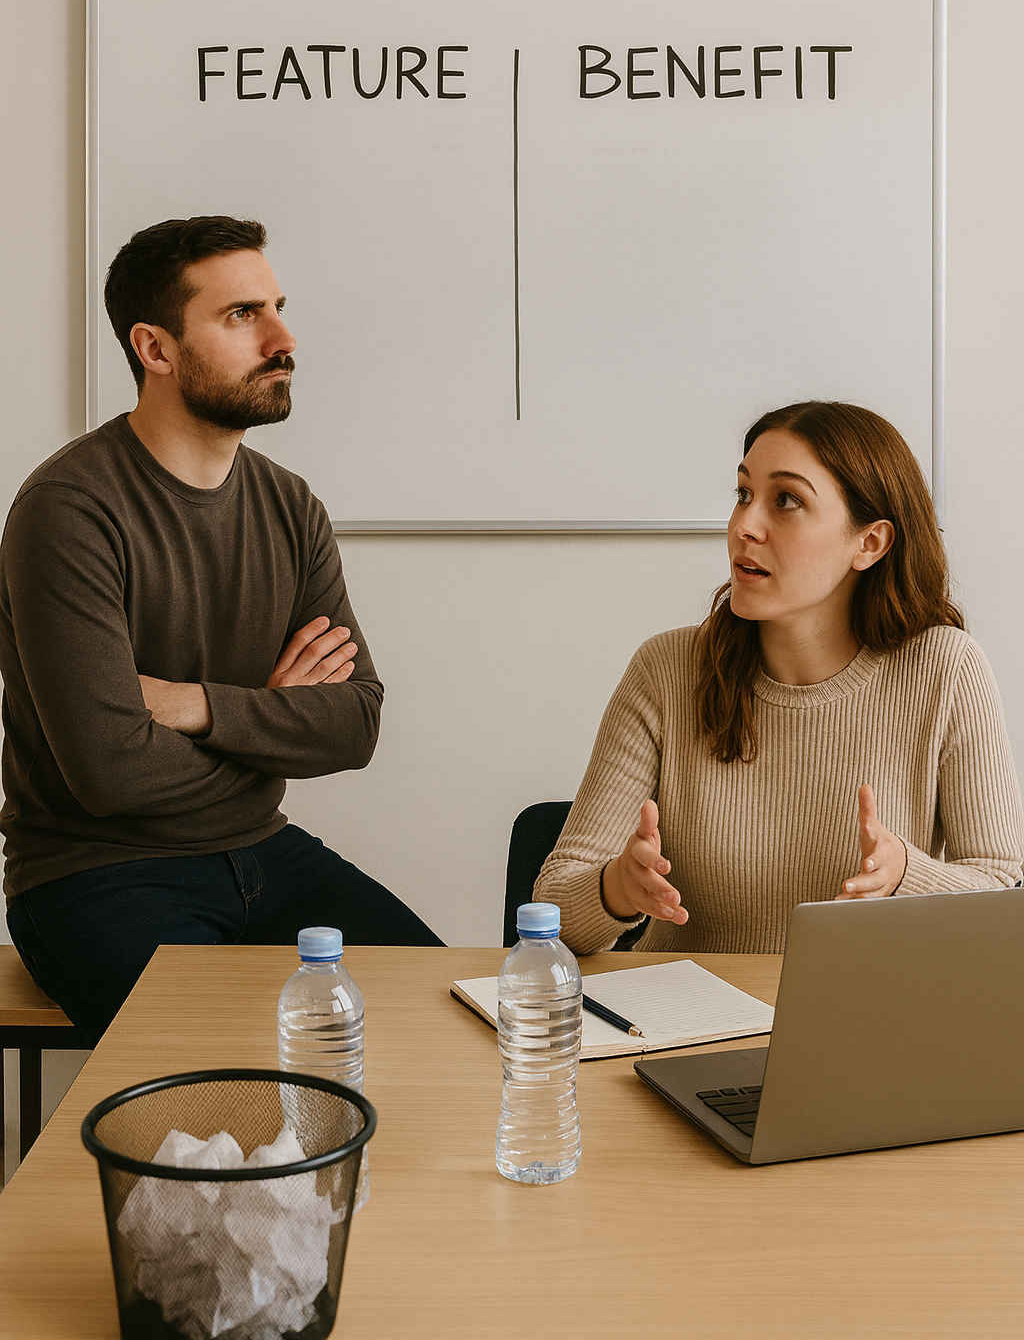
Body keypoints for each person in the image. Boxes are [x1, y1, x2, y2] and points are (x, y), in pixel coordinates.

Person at [0, 215, 441, 1045]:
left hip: (267, 856)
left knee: (448, 1028)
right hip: (96, 877)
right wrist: (271, 723)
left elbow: (356, 723)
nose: (284, 338)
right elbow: (110, 776)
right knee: (232, 1094)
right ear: (155, 349)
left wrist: (195, 706)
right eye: (242, 315)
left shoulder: (289, 504)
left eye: (276, 307)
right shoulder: (68, 513)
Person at [535, 400, 1024, 956]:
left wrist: (905, 875)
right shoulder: (666, 671)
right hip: (685, 1030)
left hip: (861, 1024)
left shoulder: (946, 670)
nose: (744, 525)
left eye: (786, 500)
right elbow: (552, 906)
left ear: (870, 543)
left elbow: (1001, 895)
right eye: (743, 494)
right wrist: (618, 888)